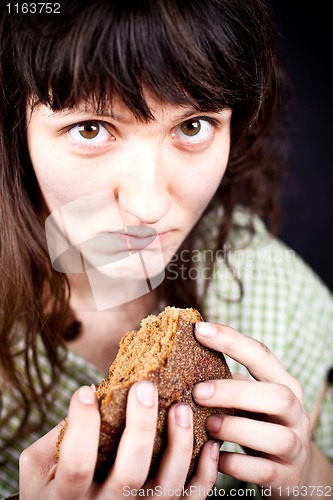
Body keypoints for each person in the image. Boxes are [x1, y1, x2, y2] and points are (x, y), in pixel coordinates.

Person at [0, 0, 332, 498]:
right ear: (15, 129)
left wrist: (306, 479)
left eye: (192, 126)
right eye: (91, 128)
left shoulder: (276, 292)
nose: (148, 206)